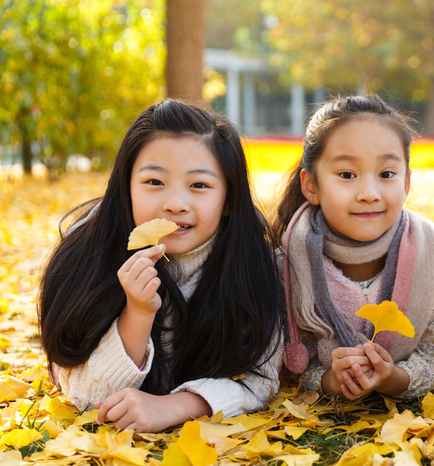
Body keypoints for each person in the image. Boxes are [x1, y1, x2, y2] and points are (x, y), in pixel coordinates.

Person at [38, 99, 283, 432]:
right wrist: (138, 312)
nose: (175, 204)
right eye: (154, 182)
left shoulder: (251, 258)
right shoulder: (87, 254)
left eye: (199, 185)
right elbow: (85, 395)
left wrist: (174, 406)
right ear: (125, 187)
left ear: (229, 199)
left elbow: (261, 378)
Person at [271, 95, 434, 400]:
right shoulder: (287, 262)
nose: (369, 194)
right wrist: (331, 380)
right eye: (347, 175)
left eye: (386, 174)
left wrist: (392, 378)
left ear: (407, 183)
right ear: (311, 186)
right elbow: (294, 362)